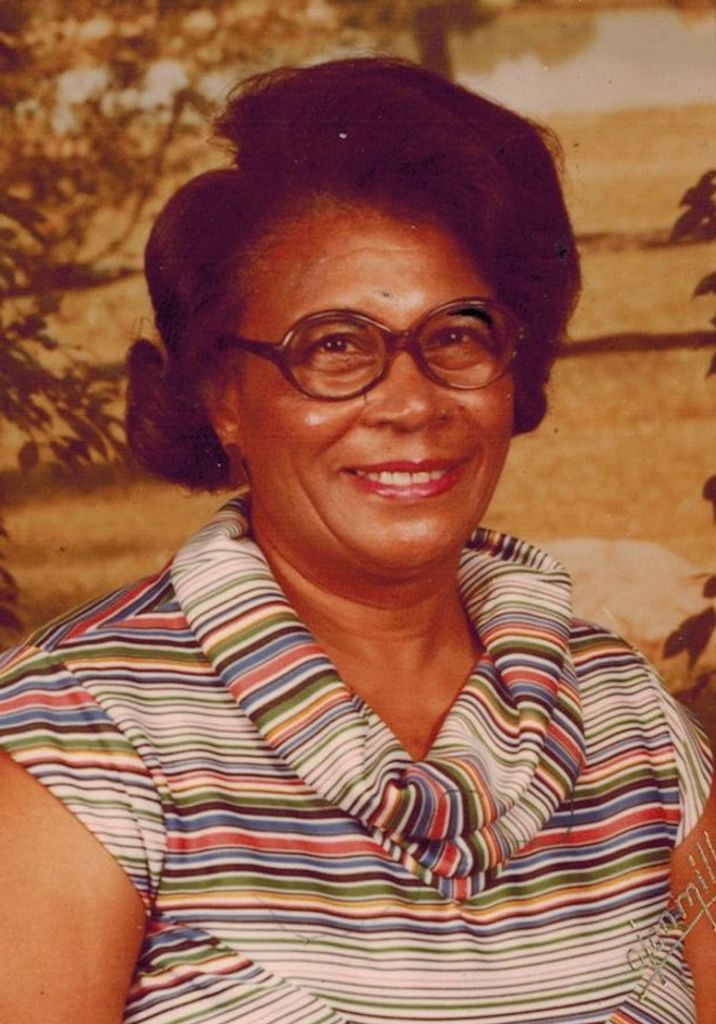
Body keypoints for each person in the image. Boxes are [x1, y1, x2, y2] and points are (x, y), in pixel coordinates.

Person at [0, 57, 714, 1024]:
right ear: (221, 396)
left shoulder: (630, 720)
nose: (412, 403)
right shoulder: (78, 737)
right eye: (334, 346)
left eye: (457, 335)